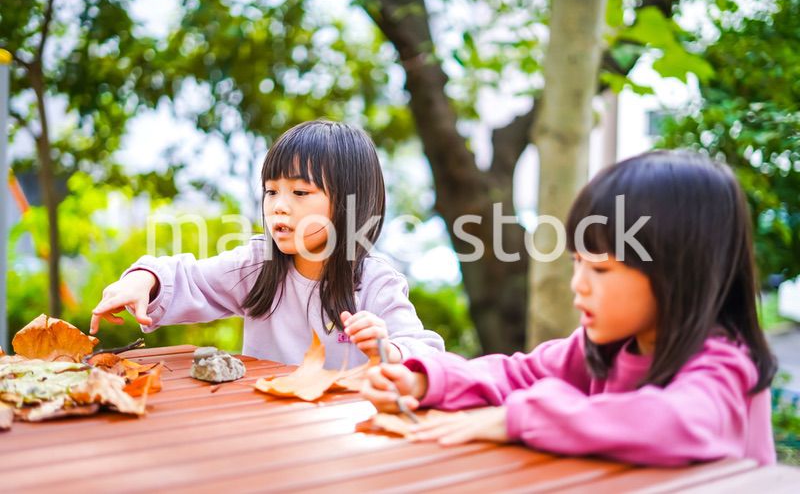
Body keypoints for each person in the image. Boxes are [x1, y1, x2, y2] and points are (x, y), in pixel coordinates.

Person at [361, 150, 777, 466]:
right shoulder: (607, 347)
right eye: (577, 262)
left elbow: (677, 421)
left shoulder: (723, 362)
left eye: (600, 268)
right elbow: (519, 374)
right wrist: (424, 382)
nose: (578, 285)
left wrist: (519, 419)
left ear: (679, 272)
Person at [90, 120, 444, 368]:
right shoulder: (258, 266)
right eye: (271, 190)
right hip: (264, 422)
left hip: (345, 433)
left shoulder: (376, 283)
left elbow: (427, 352)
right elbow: (188, 279)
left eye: (300, 192)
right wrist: (142, 280)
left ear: (350, 203)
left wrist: (390, 349)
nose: (278, 205)